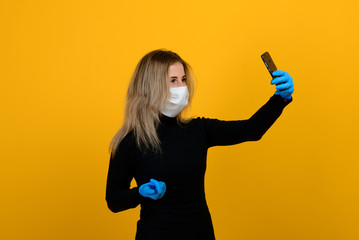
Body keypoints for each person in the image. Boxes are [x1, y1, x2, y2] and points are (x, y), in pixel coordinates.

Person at [105, 49, 294, 240]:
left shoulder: (199, 129)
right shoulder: (130, 141)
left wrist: (281, 98)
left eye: (183, 79)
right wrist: (141, 192)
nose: (181, 87)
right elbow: (113, 200)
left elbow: (251, 130)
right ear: (150, 87)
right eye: (173, 80)